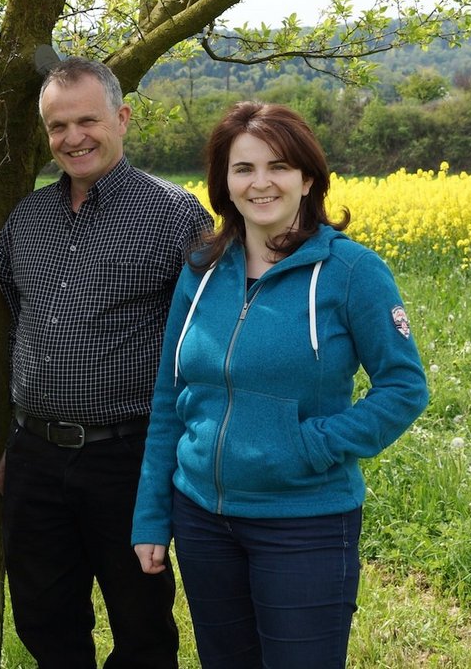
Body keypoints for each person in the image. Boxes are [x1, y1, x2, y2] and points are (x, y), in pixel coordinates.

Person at [131, 102, 430, 669]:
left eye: (279, 167)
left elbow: (404, 387)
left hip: (304, 524)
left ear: (307, 178)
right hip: (202, 520)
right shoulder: (200, 270)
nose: (261, 183)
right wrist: (152, 515)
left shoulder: (351, 272)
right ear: (223, 181)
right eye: (243, 168)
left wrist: (309, 444)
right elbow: (171, 398)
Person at [0, 57, 212, 669]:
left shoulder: (176, 216)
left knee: (141, 622)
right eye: (57, 127)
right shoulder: (26, 219)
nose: (72, 138)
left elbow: (201, 343)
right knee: (43, 618)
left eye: (86, 120)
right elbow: (17, 318)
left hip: (130, 455)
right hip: (35, 456)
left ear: (121, 117)